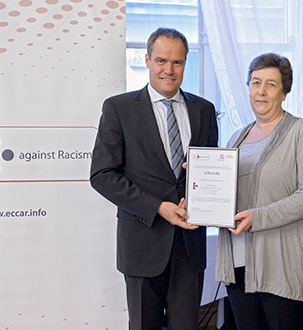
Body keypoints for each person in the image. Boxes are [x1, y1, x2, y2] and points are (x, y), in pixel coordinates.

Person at [89, 27, 218, 330]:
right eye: (161, 61)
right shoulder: (118, 109)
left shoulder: (204, 110)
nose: (169, 70)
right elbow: (101, 175)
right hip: (142, 245)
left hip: (189, 246)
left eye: (177, 62)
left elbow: (211, 171)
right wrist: (157, 206)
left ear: (185, 63)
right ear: (147, 60)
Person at [215, 53, 303, 330]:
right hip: (239, 266)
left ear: (285, 92)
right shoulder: (236, 137)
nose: (261, 92)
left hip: (284, 266)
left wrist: (258, 216)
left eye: (271, 85)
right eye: (255, 83)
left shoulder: (302, 132)